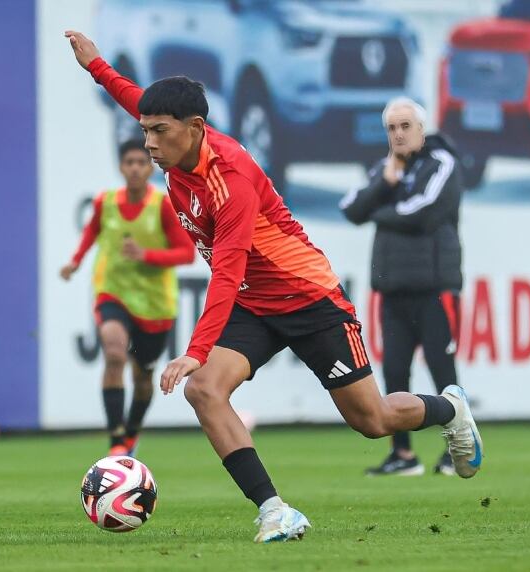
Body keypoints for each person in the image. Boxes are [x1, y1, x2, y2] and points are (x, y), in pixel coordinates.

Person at [64, 30, 483, 544]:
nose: (148, 142)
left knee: (372, 420)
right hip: (254, 305)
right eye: (145, 131)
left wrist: (194, 350)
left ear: (194, 129)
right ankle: (274, 511)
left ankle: (450, 409)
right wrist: (97, 66)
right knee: (205, 391)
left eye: (158, 132)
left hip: (310, 299)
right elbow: (138, 101)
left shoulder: (231, 178)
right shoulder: (177, 147)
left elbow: (228, 270)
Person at [340, 98, 466, 477]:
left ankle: (455, 450)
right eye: (392, 127)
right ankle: (403, 455)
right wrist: (385, 184)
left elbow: (423, 212)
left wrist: (380, 210)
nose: (398, 133)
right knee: (395, 371)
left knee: (444, 370)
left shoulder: (442, 163)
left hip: (435, 287)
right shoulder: (385, 169)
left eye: (405, 126)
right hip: (392, 289)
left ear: (422, 129)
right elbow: (351, 208)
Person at [60, 140, 196, 457]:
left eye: (141, 162)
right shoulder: (105, 202)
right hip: (113, 291)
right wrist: (75, 261)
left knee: (143, 375)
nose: (135, 168)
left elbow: (186, 253)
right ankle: (116, 439)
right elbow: (91, 233)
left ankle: (132, 430)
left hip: (154, 304)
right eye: (129, 162)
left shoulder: (162, 205)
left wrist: (145, 254)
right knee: (114, 352)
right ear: (121, 167)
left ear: (150, 168)